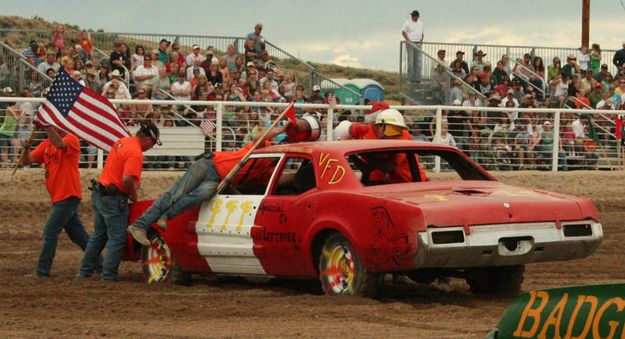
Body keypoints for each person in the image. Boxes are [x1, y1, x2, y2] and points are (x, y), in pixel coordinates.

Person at [127, 123, 289, 246]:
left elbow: (286, 178)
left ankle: (166, 215)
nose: (281, 146)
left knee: (200, 195)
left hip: (217, 179)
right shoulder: (263, 145)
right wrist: (281, 130)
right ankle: (139, 225)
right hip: (210, 164)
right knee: (174, 195)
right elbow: (258, 135)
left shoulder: (270, 169)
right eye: (281, 143)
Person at [77, 123, 161, 280]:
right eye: (153, 144)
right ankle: (108, 275)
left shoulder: (122, 141)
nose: (151, 147)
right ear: (148, 140)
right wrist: (133, 196)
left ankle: (84, 271)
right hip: (113, 198)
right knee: (117, 238)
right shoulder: (136, 153)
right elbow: (127, 179)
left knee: (99, 236)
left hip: (100, 192)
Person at [20, 126, 90, 277]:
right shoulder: (47, 144)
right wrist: (26, 149)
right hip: (62, 196)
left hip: (67, 195)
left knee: (50, 232)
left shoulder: (71, 139)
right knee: (78, 235)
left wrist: (46, 125)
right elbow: (27, 161)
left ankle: (42, 271)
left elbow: (60, 144)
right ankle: (100, 264)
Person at [401, 10, 424, 84]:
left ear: (417, 16)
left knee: (418, 62)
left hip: (418, 43)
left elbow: (422, 33)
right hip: (411, 43)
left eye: (414, 15)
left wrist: (421, 41)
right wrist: (408, 40)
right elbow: (403, 32)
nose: (413, 17)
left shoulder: (421, 23)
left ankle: (417, 78)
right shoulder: (407, 22)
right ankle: (410, 78)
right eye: (412, 15)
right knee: (410, 62)